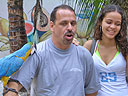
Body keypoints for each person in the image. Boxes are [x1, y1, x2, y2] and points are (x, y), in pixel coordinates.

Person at [4, 4, 100, 96]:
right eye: (64, 23)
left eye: (73, 23)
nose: (70, 28)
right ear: (51, 26)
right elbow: (16, 82)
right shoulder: (38, 53)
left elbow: (91, 91)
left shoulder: (84, 55)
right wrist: (12, 91)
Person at [83, 4, 128, 96]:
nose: (112, 27)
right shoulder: (89, 46)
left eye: (117, 24)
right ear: (100, 22)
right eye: (109, 22)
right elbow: (79, 74)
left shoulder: (125, 47)